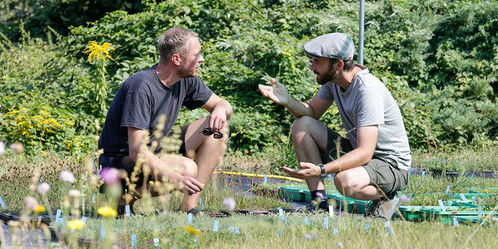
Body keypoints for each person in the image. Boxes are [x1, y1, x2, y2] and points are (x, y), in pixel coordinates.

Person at [258, 33, 411, 219]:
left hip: (391, 166)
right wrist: (288, 101)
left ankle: (388, 196)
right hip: (363, 156)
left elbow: (365, 152)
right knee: (302, 124)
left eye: (317, 62)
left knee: (344, 181)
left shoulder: (368, 91)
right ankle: (319, 203)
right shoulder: (334, 82)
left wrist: (321, 169)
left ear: (338, 65)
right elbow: (312, 113)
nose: (312, 67)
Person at [98, 27, 233, 216]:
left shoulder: (186, 80)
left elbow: (224, 104)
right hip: (119, 162)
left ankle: (189, 208)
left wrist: (219, 109)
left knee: (219, 129)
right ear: (177, 59)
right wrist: (176, 178)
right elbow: (136, 150)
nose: (201, 59)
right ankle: (122, 197)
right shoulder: (141, 86)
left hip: (155, 148)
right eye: (197, 55)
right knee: (186, 168)